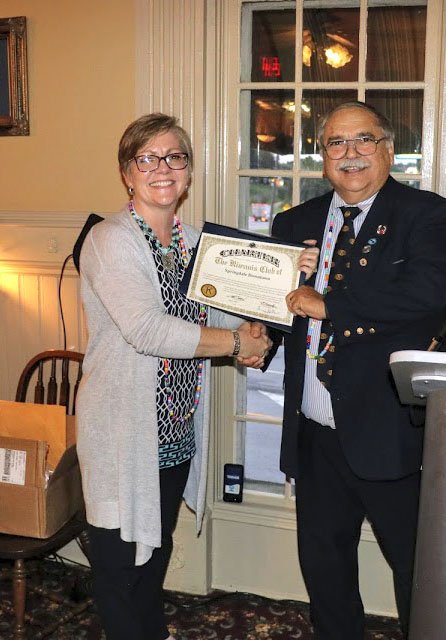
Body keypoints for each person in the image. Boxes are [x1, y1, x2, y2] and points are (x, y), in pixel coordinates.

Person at [76, 113, 295, 640]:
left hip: (174, 435)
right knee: (120, 568)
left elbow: (216, 316)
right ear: (127, 173)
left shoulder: (195, 243)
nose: (162, 168)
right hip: (122, 432)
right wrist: (238, 344)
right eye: (146, 158)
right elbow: (146, 330)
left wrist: (276, 291)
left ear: (189, 171)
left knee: (152, 562)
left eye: (175, 157)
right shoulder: (111, 240)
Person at [272, 101, 446, 639]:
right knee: (325, 567)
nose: (350, 154)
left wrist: (326, 301)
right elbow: (277, 305)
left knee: (416, 570)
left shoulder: (429, 215)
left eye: (364, 140)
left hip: (388, 430)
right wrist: (256, 334)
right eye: (336, 143)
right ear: (322, 156)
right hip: (314, 428)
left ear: (388, 149)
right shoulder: (294, 223)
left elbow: (426, 296)